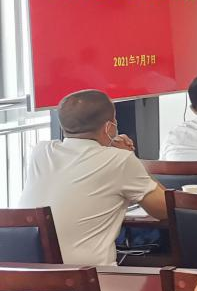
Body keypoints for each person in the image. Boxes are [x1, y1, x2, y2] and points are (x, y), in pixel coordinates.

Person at [19, 89, 167, 265]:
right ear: (109, 127)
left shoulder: (40, 152)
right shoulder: (119, 160)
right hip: (90, 276)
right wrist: (130, 158)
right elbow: (164, 209)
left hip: (27, 274)